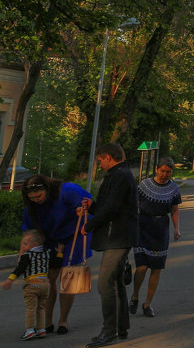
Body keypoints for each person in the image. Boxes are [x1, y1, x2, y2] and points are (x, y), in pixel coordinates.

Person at [80, 142, 138, 348]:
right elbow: (111, 206)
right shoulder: (120, 174)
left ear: (107, 158)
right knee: (115, 283)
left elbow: (112, 208)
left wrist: (89, 225)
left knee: (105, 284)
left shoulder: (120, 176)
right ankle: (120, 328)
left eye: (100, 161)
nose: (99, 164)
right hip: (118, 236)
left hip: (118, 237)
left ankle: (109, 331)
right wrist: (93, 207)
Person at [20, 173, 93, 335]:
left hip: (75, 236)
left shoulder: (67, 190)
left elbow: (88, 203)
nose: (36, 200)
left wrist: (82, 208)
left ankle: (63, 320)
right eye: (32, 198)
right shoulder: (31, 206)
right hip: (51, 239)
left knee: (70, 277)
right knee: (48, 278)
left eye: (39, 196)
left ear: (46, 189)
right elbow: (28, 232)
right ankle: (47, 320)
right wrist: (23, 255)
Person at [130, 156, 182, 318]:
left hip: (161, 228)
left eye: (168, 172)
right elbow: (135, 205)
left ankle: (148, 304)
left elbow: (174, 209)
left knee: (156, 268)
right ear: (156, 170)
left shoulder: (174, 189)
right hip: (143, 225)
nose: (165, 174)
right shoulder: (144, 185)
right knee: (142, 267)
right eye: (162, 171)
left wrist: (176, 228)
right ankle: (135, 296)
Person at [2, 229, 52, 340]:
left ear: (35, 244)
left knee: (31, 308)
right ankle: (41, 329)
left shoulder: (27, 256)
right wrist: (60, 253)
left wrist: (10, 279)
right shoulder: (47, 253)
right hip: (45, 285)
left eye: (25, 244)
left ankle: (30, 330)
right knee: (41, 307)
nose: (23, 247)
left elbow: (20, 269)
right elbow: (56, 262)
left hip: (32, 285)